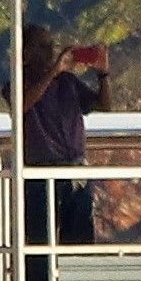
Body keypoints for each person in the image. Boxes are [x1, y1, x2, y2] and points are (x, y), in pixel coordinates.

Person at [24, 31, 107, 244]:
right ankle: (40, 279)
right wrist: (53, 71)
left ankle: (77, 277)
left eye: (51, 46)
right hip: (41, 173)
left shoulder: (68, 81)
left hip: (75, 168)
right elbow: (22, 105)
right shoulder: (19, 82)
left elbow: (103, 105)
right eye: (42, 47)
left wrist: (103, 74)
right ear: (26, 51)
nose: (50, 52)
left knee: (79, 240)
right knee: (41, 239)